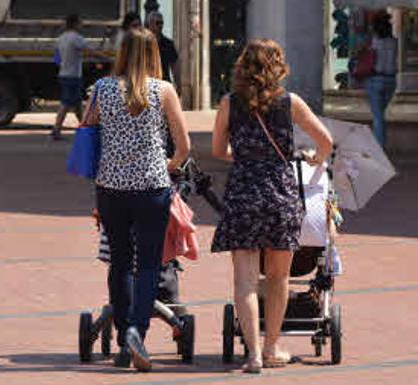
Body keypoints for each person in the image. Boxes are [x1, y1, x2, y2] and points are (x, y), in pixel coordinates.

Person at [211, 39, 333, 374]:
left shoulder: (229, 103)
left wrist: (247, 156)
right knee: (279, 277)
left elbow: (219, 150)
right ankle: (271, 348)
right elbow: (326, 141)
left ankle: (251, 354)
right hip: (281, 195)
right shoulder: (290, 102)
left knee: (245, 281)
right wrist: (314, 158)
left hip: (243, 194)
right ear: (277, 67)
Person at [82, 27, 190, 371]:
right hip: (151, 188)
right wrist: (168, 167)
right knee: (148, 263)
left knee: (119, 261)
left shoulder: (102, 89)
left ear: (123, 53)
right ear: (154, 54)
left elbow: (86, 128)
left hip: (111, 188)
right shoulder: (164, 91)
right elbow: (184, 147)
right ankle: (136, 332)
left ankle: (123, 329)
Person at [51, 14, 104, 140]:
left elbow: (56, 58)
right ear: (74, 24)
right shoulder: (76, 38)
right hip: (73, 76)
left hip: (64, 73)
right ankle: (57, 129)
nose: (82, 25)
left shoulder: (61, 38)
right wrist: (104, 57)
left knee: (77, 103)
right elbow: (90, 50)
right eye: (80, 23)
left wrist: (65, 63)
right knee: (66, 102)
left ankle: (85, 128)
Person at [364, 11, 398, 148]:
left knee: (378, 118)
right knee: (380, 116)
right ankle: (379, 143)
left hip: (375, 80)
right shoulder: (394, 42)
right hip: (391, 81)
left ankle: (379, 148)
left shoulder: (373, 42)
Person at [147, 11, 179, 86]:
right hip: (148, 83)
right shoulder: (144, 43)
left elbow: (174, 66)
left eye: (162, 23)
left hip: (164, 83)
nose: (160, 25)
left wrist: (178, 84)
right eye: (158, 23)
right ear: (150, 24)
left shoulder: (168, 44)